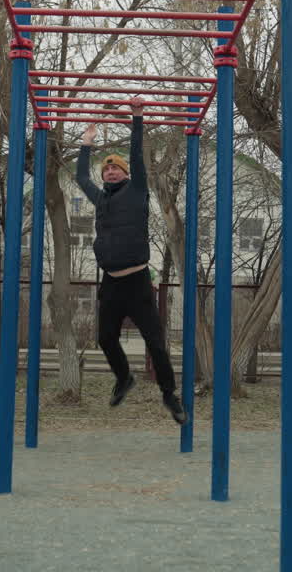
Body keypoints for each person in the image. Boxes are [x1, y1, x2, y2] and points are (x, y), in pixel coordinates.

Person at [76, 98, 186, 425]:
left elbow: (137, 157)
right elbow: (82, 178)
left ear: (124, 173)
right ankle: (124, 378)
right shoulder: (100, 199)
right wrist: (86, 144)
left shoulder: (136, 189)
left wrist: (137, 119)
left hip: (137, 282)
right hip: (111, 282)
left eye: (115, 168)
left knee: (155, 341)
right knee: (106, 338)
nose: (109, 171)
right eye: (106, 168)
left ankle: (170, 395)